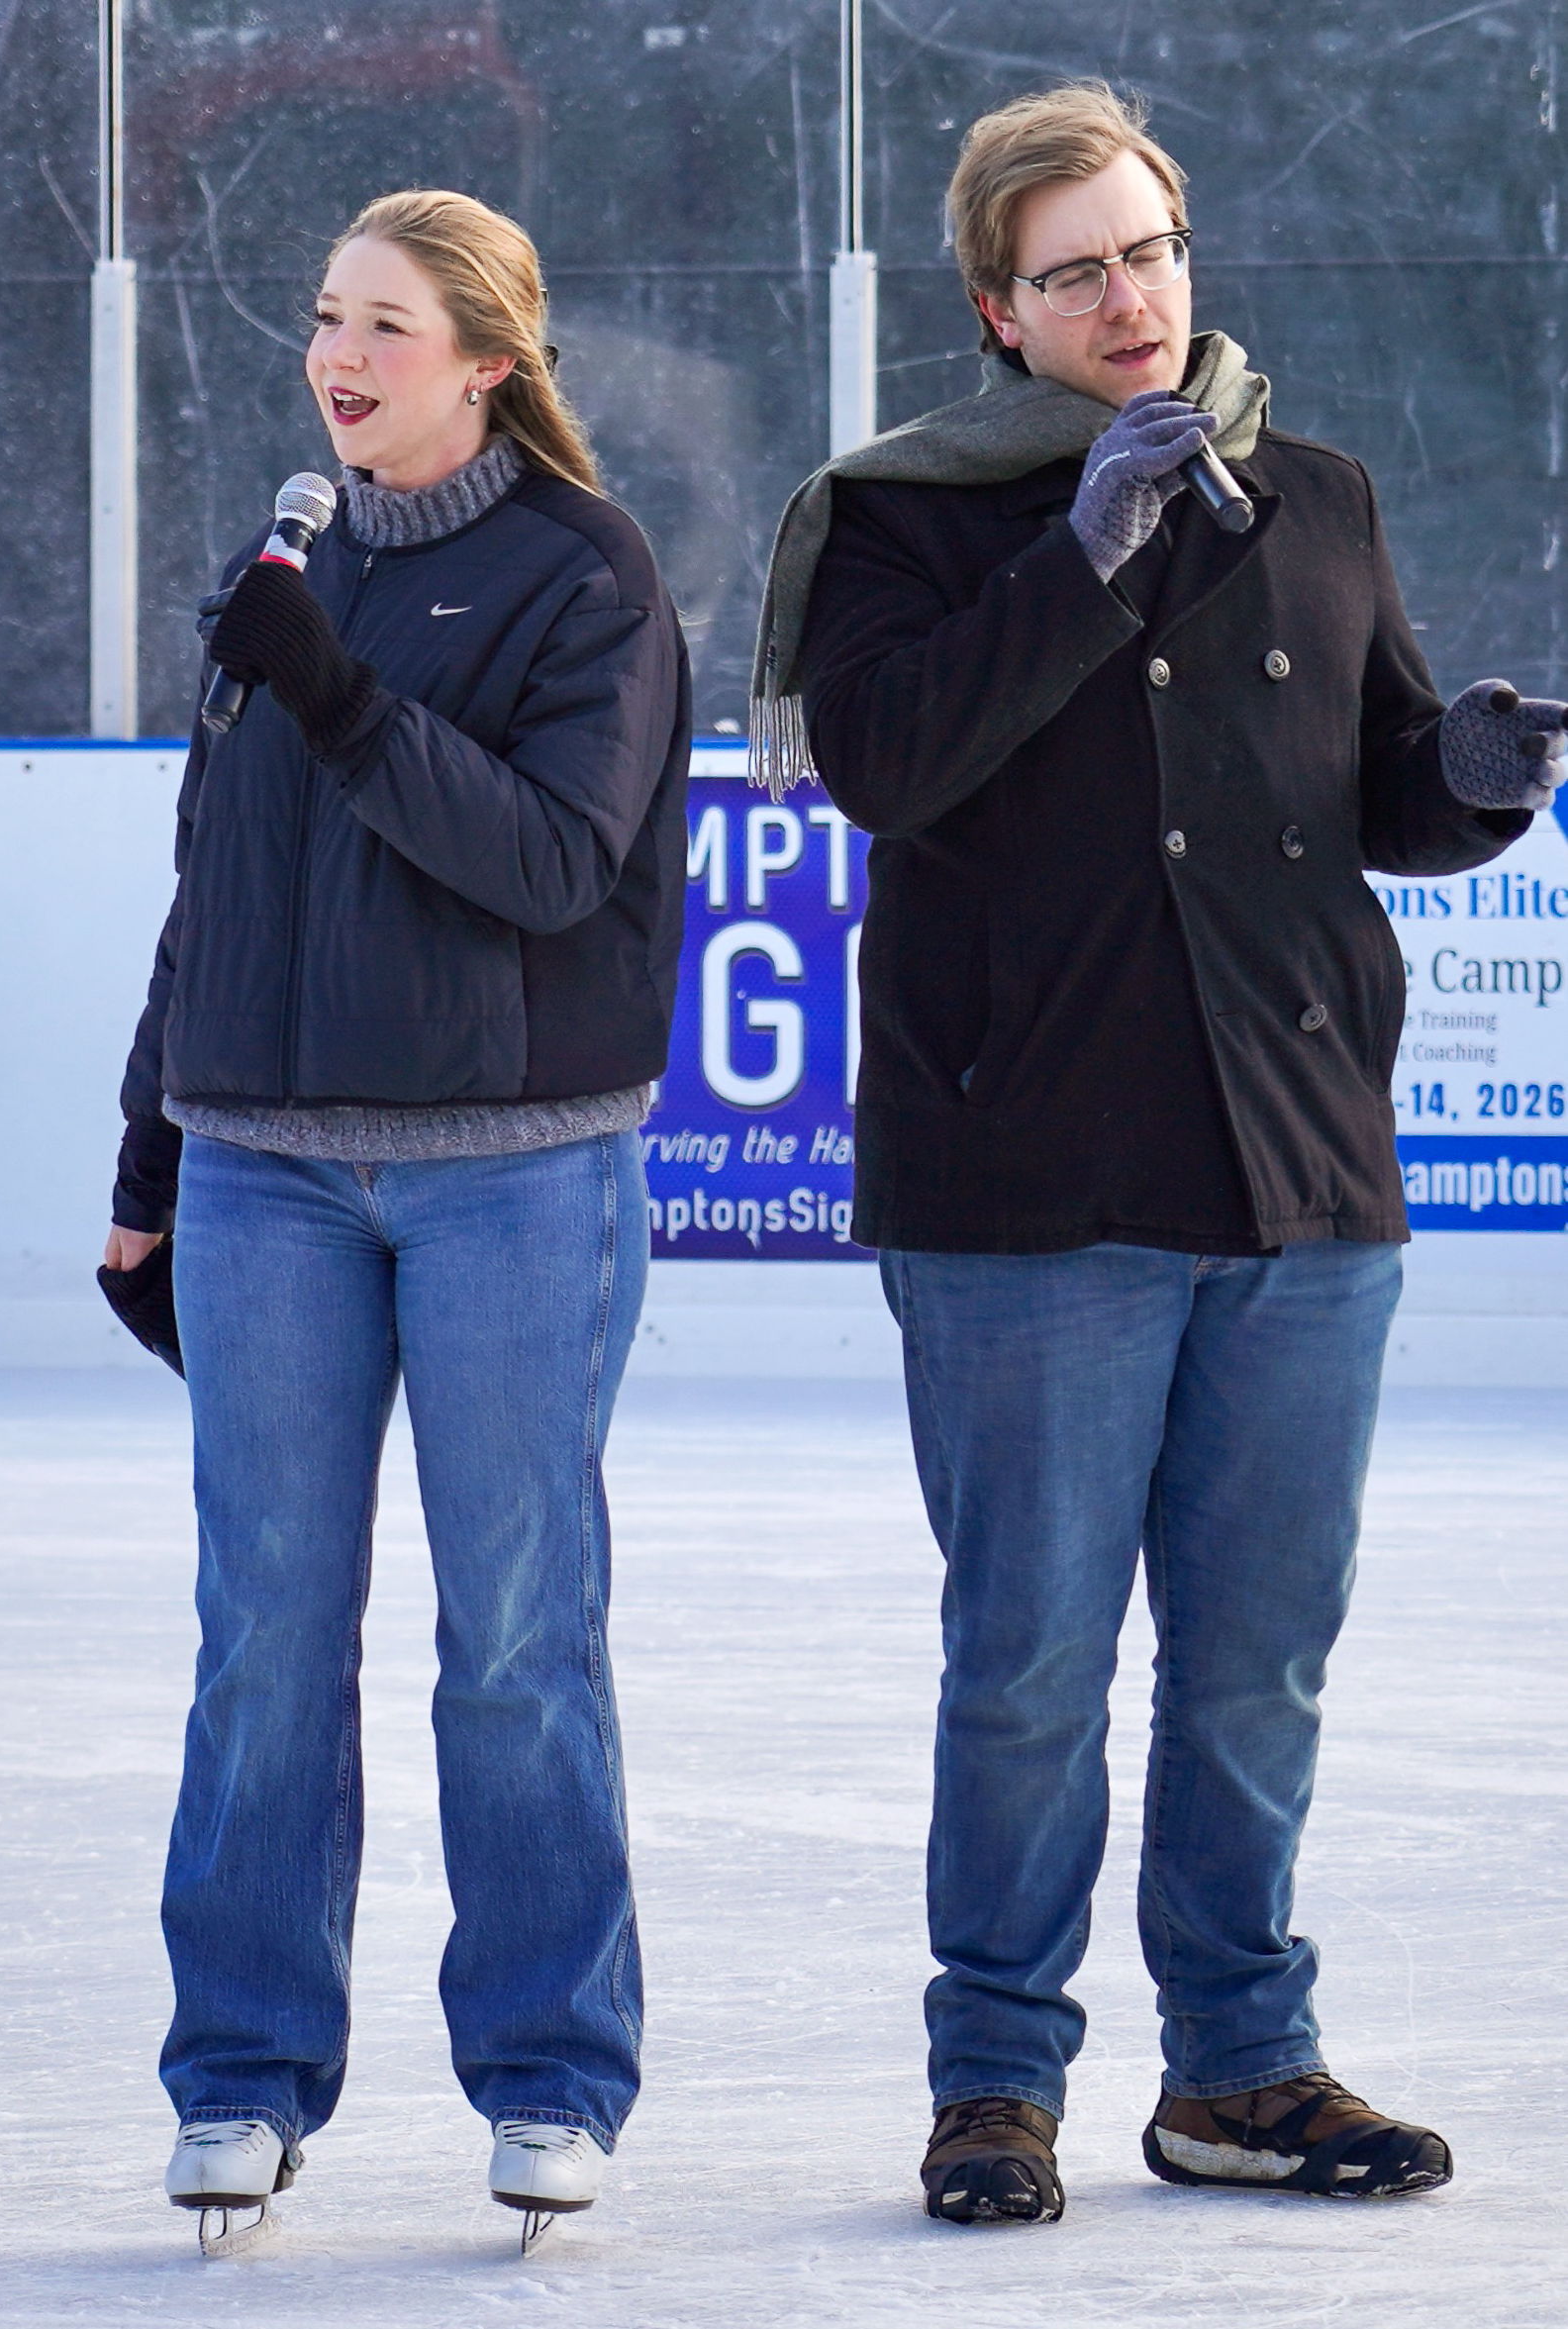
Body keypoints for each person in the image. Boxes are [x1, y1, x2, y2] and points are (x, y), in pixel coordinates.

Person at [751, 82, 1566, 2223]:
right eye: (1069, 272)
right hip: (1027, 1182)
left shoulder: (1312, 491)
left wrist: (1467, 774)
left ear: (1185, 248)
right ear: (995, 312)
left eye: (1145, 250)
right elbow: (886, 761)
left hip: (1297, 1171)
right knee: (1025, 1658)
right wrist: (1082, 547)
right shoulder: (900, 516)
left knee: (1251, 1657)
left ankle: (1238, 2063)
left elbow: (1365, 779)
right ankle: (991, 2079)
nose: (1123, 298)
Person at [105, 188, 689, 2252]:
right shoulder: (293, 563)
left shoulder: (586, 576)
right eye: (323, 320)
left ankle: (547, 2070)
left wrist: (338, 691)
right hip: (263, 1161)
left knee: (516, 1636)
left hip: (511, 1173)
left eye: (382, 324)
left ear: (486, 357)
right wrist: (147, 1161)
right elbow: (215, 880)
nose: (338, 357)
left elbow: (546, 862)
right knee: (262, 1629)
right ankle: (242, 2072)